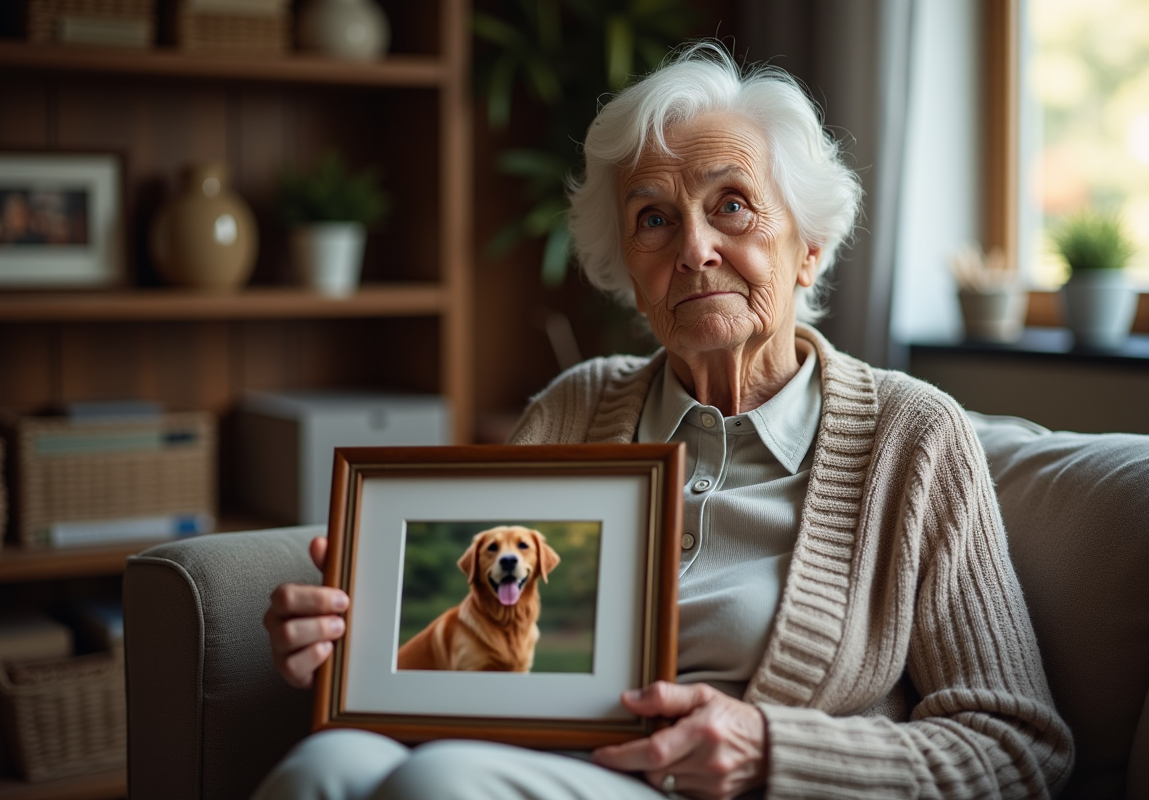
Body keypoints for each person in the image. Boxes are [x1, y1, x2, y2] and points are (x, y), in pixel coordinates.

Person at [258, 41, 1074, 800]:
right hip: (538, 762)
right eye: (654, 218)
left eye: (732, 206)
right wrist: (352, 647)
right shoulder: (578, 405)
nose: (693, 248)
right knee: (324, 767)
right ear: (628, 270)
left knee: (441, 786)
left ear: (810, 246)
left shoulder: (914, 438)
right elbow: (481, 646)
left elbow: (1018, 745)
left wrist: (771, 750)